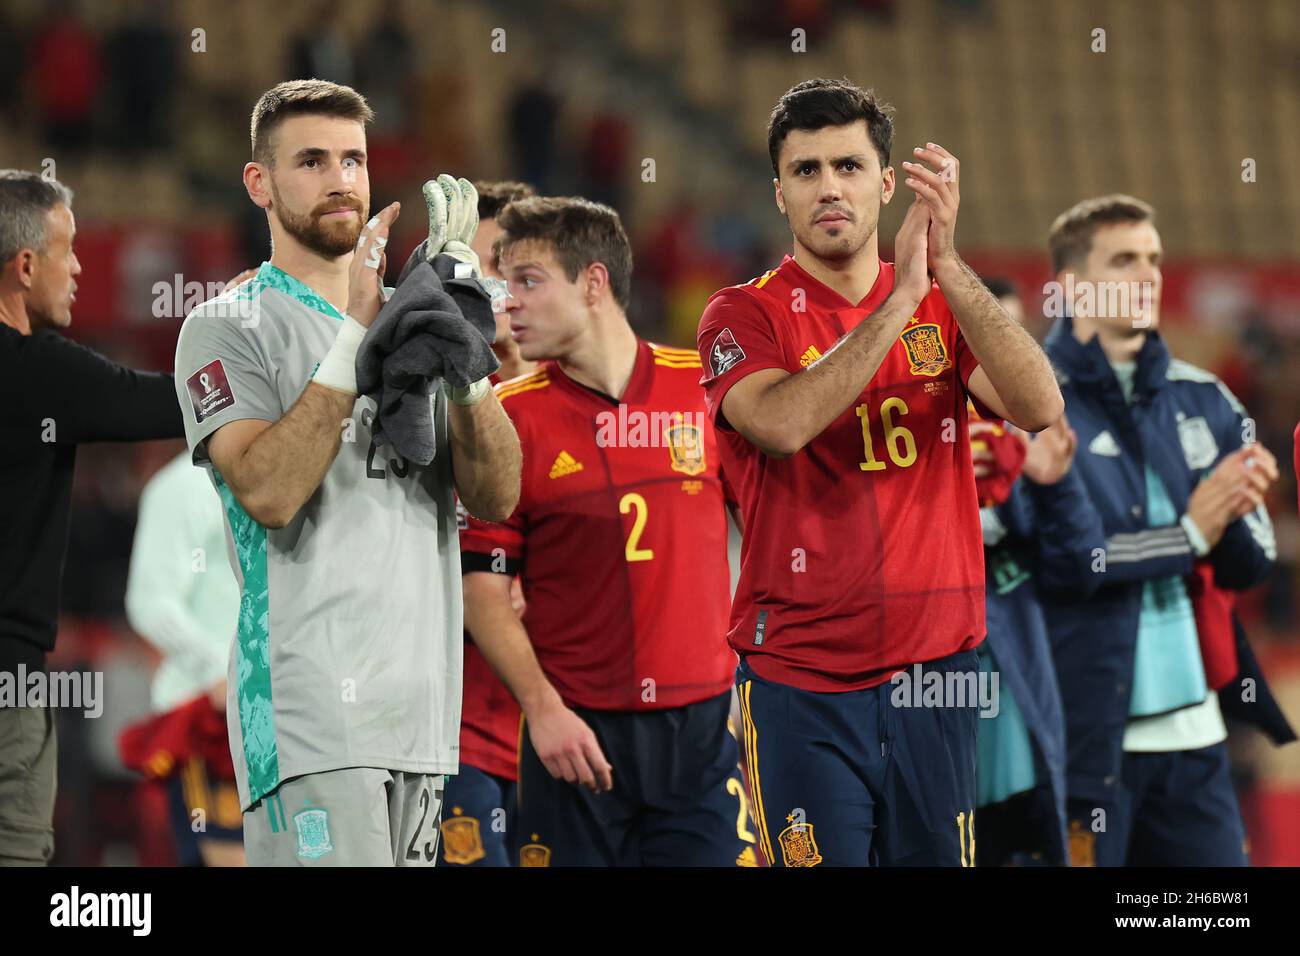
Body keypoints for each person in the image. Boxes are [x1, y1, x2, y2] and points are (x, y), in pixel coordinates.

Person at [696, 77, 1062, 866]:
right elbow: (784, 425)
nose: (830, 187)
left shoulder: (943, 306)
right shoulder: (742, 313)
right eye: (806, 171)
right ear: (780, 195)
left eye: (851, 166)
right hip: (803, 680)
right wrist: (897, 302)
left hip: (937, 675)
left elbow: (1038, 406)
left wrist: (950, 268)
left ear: (888, 184)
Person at [172, 79, 521, 867]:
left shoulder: (420, 315)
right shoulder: (225, 327)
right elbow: (267, 491)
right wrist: (358, 329)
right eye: (311, 161)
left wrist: (467, 361)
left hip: (423, 718)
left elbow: (497, 496)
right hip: (309, 718)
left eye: (354, 160)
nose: (340, 180)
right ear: (259, 184)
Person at [460, 196, 754, 866]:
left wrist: (751, 680)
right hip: (574, 741)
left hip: (703, 735)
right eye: (502, 287)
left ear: (594, 282)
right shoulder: (507, 418)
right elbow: (483, 586)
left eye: (528, 283)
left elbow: (766, 537)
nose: (509, 306)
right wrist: (545, 711)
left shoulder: (703, 392)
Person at [1039, 194, 1282, 865]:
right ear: (1072, 287)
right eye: (1123, 260)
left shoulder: (1205, 398)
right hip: (1084, 742)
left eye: (1153, 259)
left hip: (1195, 740)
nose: (1148, 276)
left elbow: (1251, 562)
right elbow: (1064, 563)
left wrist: (1232, 512)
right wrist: (1189, 532)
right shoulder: (1031, 402)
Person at [0, 169, 184, 866]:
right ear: (25, 266)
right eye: (67, 251)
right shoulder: (37, 370)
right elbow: (178, 403)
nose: (78, 268)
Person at [440, 179, 537, 867]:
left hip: (570, 745)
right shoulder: (418, 412)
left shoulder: (597, 411)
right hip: (452, 742)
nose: (497, 288)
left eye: (510, 267)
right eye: (477, 271)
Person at [124, 448, 244, 866]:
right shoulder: (181, 487)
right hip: (211, 721)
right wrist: (218, 670)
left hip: (283, 715)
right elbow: (150, 601)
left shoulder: (285, 474)